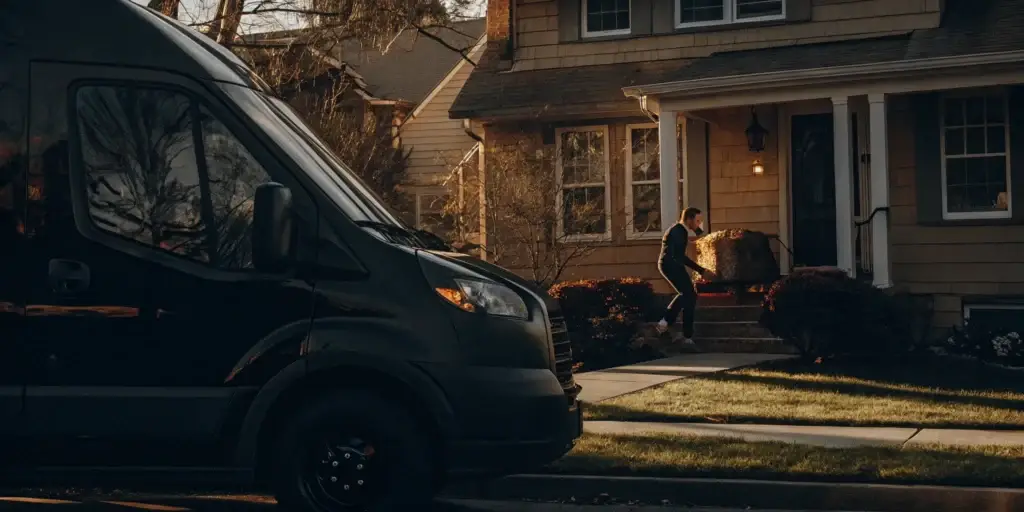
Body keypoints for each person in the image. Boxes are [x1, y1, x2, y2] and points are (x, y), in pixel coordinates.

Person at [656, 207, 714, 344]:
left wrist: (699, 231)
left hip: (671, 264)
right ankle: (667, 325)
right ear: (689, 219)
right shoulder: (678, 231)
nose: (699, 223)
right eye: (697, 220)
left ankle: (681, 333)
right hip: (670, 265)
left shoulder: (680, 230)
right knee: (688, 294)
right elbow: (679, 256)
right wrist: (701, 270)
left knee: (689, 296)